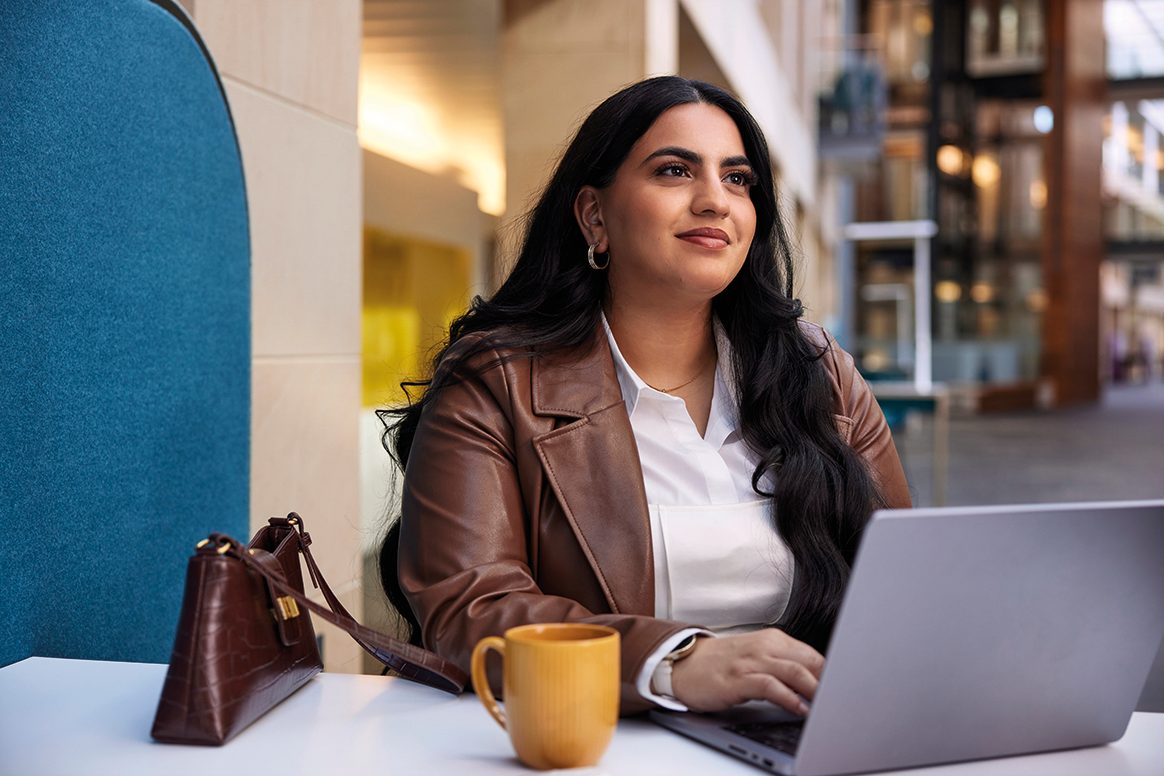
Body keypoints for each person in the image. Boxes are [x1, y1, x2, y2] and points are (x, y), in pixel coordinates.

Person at [378, 76, 910, 718]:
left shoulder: (820, 373)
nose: (715, 201)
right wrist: (673, 663)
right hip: (591, 736)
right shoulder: (496, 380)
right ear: (594, 216)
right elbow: (471, 608)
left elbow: (903, 580)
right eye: (674, 171)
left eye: (737, 178)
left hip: (803, 733)